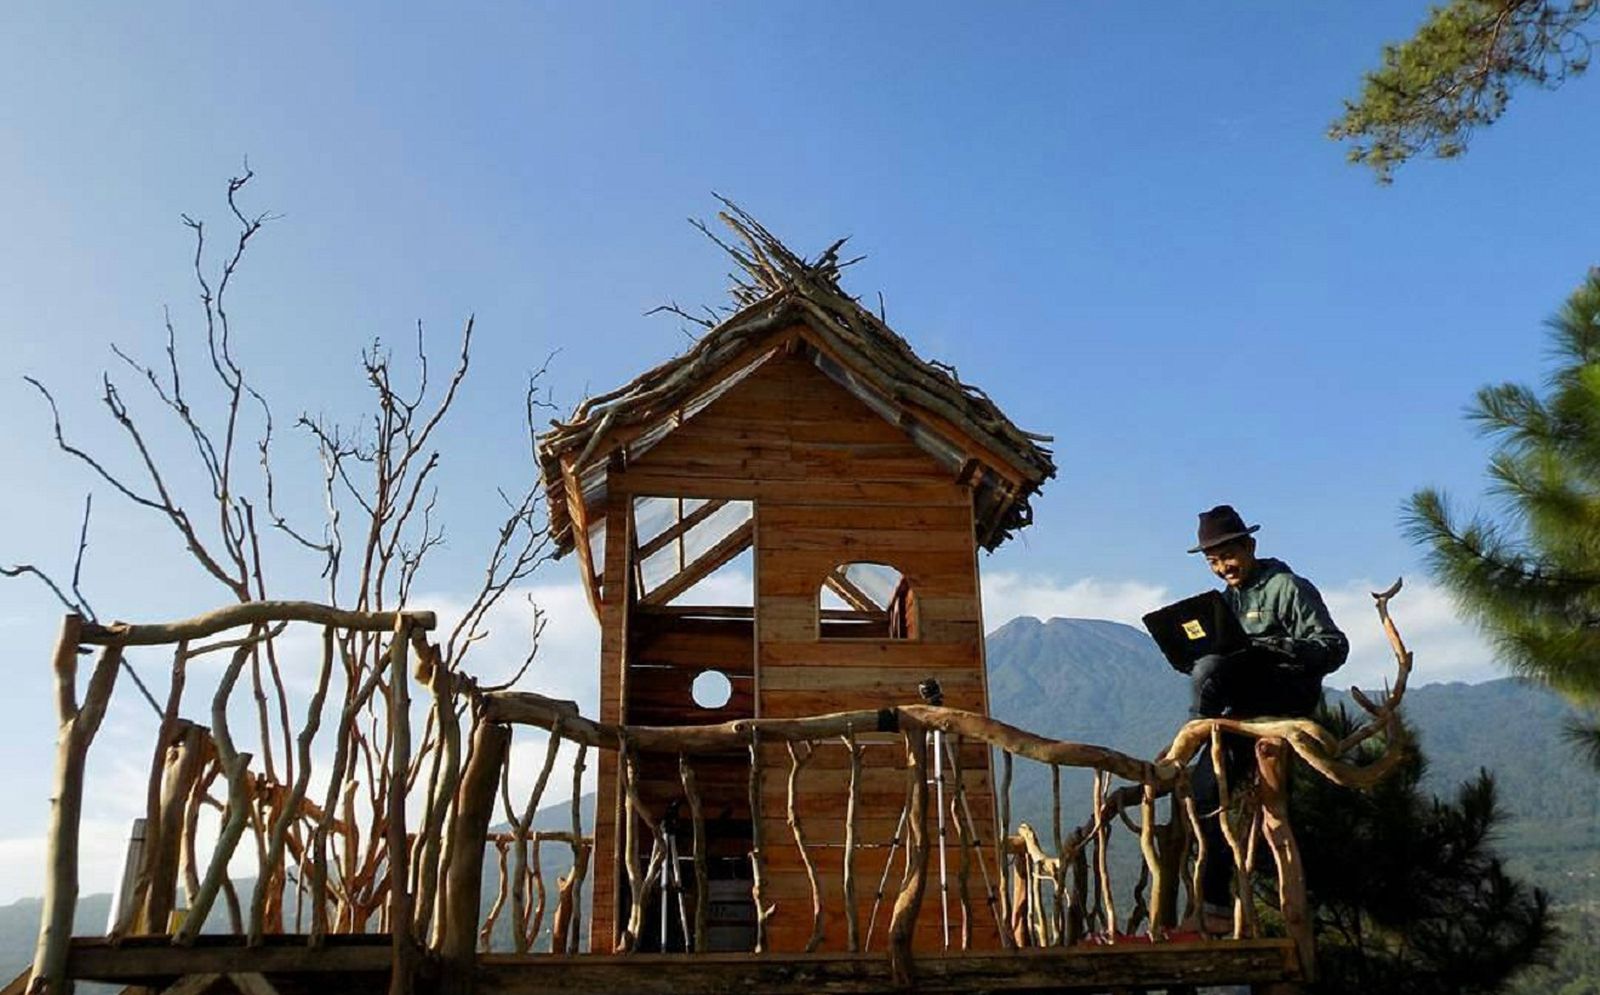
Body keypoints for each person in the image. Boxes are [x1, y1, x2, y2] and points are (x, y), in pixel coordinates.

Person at [1183, 504, 1348, 935]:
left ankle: (1192, 731)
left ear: (1250, 546)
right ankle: (1216, 905)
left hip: (1284, 697)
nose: (1222, 568)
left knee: (1209, 671)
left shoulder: (1288, 587)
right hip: (1240, 712)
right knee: (1202, 794)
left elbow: (1333, 647)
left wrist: (1277, 648)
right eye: (1213, 562)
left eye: (1228, 556)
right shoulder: (1224, 602)